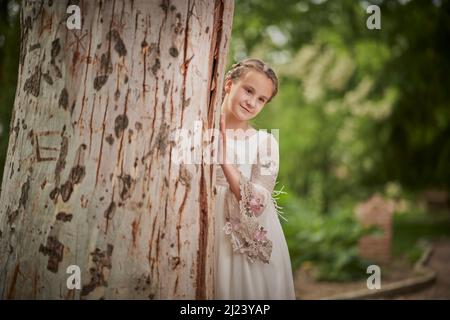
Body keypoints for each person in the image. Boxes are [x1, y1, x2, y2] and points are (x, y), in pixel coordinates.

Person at [214, 58, 296, 299]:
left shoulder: (265, 143)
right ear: (229, 84)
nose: (252, 103)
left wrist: (224, 161)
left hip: (238, 243)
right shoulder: (195, 130)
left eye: (262, 99)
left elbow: (256, 204)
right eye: (248, 91)